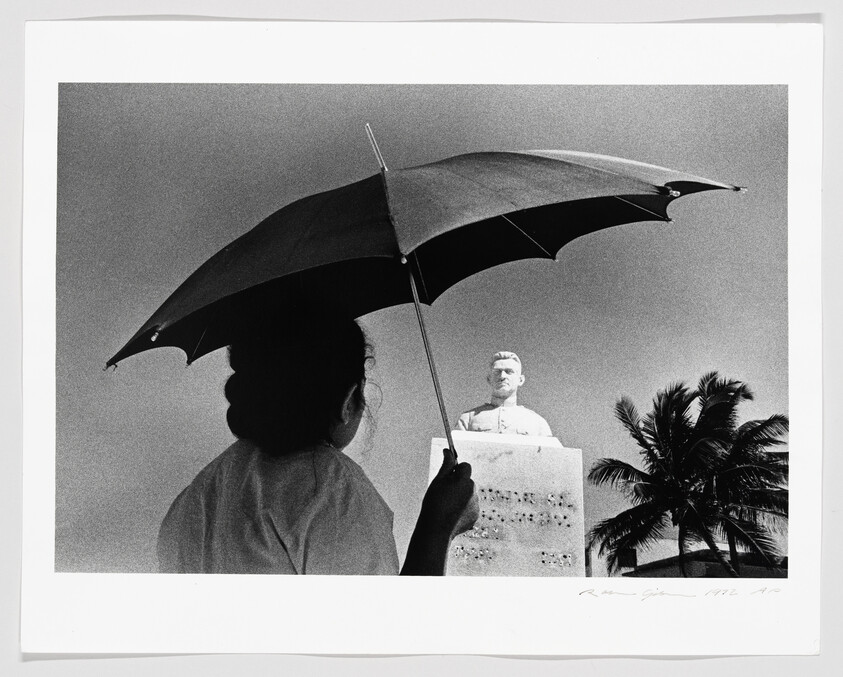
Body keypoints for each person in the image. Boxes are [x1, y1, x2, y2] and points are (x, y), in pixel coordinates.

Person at [157, 309, 478, 575]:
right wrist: (438, 527)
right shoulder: (333, 491)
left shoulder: (193, 498)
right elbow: (391, 634)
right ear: (348, 399)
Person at [455, 351, 552, 437]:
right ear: (489, 379)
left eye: (509, 372)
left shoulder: (538, 423)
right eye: (497, 372)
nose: (502, 376)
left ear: (521, 380)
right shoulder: (468, 419)